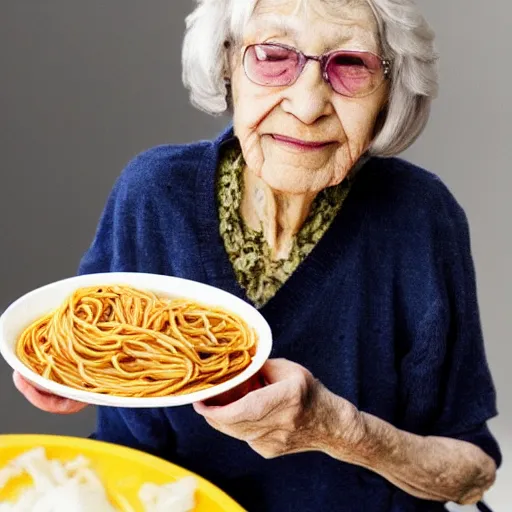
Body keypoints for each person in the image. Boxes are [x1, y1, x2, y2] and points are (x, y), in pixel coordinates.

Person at [13, 0, 502, 510]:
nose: (307, 104)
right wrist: (82, 375)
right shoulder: (154, 193)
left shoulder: (421, 218)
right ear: (227, 65)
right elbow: (102, 383)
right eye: (273, 56)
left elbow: (471, 473)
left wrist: (340, 430)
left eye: (352, 65)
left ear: (388, 94)